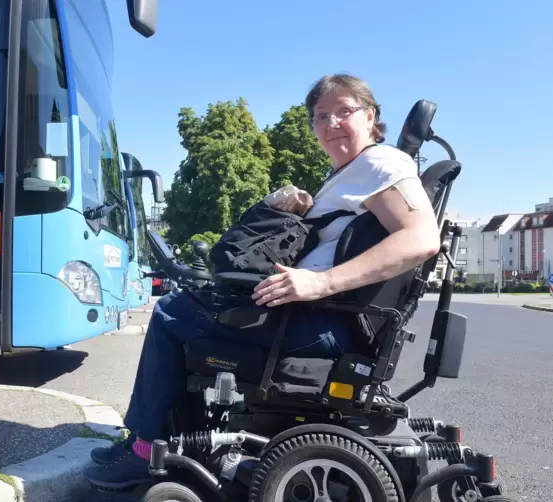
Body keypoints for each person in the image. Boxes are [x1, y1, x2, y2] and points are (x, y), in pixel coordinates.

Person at [83, 73, 441, 490]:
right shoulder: (352, 173)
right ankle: (169, 441)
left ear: (370, 116)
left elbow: (421, 238)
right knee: (193, 307)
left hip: (320, 322)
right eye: (321, 116)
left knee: (169, 314)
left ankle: (143, 450)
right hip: (324, 319)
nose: (331, 124)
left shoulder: (381, 163)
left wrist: (320, 282)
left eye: (344, 112)